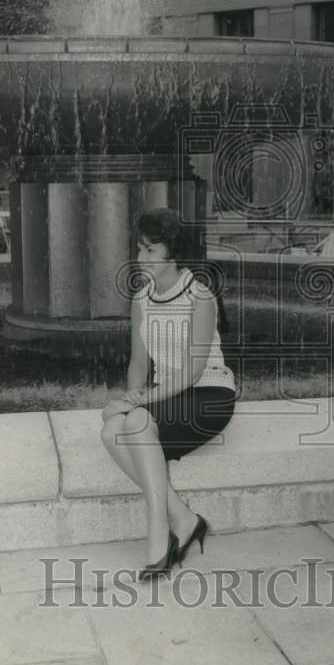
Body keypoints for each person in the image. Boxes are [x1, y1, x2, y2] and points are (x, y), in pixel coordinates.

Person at [100, 208, 237, 581]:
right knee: (111, 430)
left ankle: (159, 537)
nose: (140, 258)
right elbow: (139, 366)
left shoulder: (199, 296)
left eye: (149, 251)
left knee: (136, 419)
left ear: (172, 256)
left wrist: (135, 403)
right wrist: (129, 405)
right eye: (140, 249)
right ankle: (185, 519)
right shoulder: (142, 298)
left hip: (208, 395)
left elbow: (193, 372)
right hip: (168, 397)